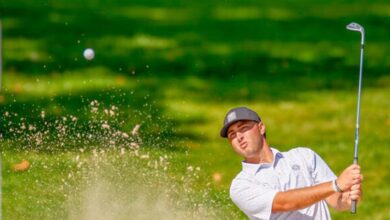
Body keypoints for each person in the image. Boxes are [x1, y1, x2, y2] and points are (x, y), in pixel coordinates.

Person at [220, 106, 363, 220]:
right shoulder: (241, 186)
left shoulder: (304, 156)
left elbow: (336, 200)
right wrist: (336, 185)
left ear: (261, 128)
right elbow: (283, 203)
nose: (239, 137)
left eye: (243, 128)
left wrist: (350, 197)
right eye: (232, 135)